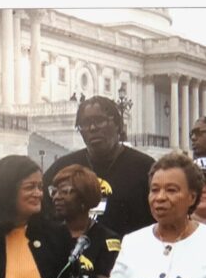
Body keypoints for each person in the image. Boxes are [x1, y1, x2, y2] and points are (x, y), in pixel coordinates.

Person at [43, 96, 155, 237]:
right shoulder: (63, 167)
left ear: (118, 125)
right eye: (85, 123)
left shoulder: (144, 167)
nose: (92, 128)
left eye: (100, 121)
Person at [50, 163, 120, 278]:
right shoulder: (49, 236)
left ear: (84, 198)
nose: (56, 197)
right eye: (54, 191)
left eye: (64, 191)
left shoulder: (107, 239)